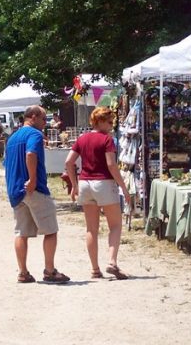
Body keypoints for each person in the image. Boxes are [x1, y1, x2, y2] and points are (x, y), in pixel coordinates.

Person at [3, 105, 70, 284]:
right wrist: (32, 180)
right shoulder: (35, 135)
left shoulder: (12, 138)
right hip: (34, 189)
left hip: (15, 190)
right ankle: (49, 271)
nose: (45, 123)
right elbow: (31, 154)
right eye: (43, 119)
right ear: (32, 117)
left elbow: (6, 163)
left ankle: (23, 272)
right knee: (50, 230)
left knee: (21, 233)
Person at [65, 106, 131, 280]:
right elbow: (111, 164)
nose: (111, 125)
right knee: (115, 225)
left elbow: (68, 161)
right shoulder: (106, 139)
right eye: (109, 122)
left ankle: (95, 269)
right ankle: (112, 261)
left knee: (91, 229)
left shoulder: (82, 138)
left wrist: (74, 184)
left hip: (85, 183)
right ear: (100, 121)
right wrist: (123, 187)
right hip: (104, 182)